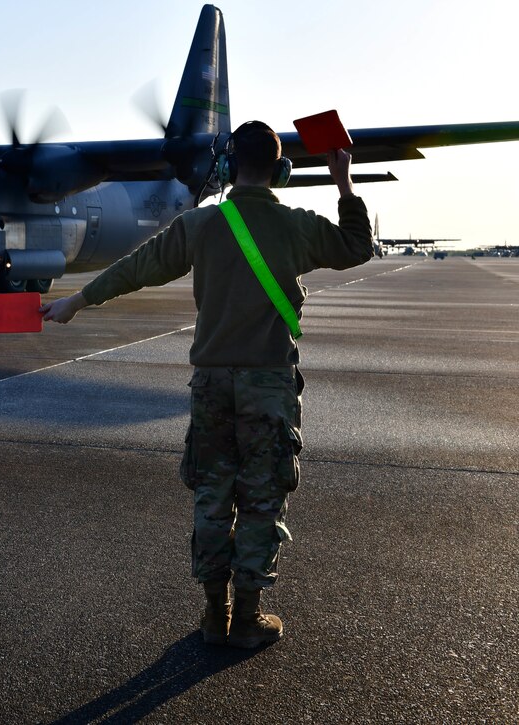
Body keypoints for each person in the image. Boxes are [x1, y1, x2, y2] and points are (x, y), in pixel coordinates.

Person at [39, 121, 373, 648]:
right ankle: (248, 617)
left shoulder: (200, 225)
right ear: (281, 171)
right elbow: (358, 245)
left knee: (213, 496)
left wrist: (76, 302)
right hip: (268, 383)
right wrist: (342, 181)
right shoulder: (296, 226)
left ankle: (213, 615)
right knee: (263, 499)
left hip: (212, 384)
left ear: (227, 168)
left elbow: (137, 268)